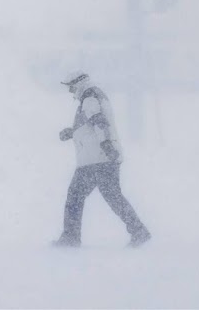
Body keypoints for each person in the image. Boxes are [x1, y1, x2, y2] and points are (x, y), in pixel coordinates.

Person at [53, 71, 151, 248]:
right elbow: (89, 125)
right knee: (112, 198)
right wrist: (72, 132)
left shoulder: (90, 98)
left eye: (71, 87)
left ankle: (71, 238)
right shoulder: (92, 96)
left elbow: (100, 123)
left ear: (79, 83)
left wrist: (107, 145)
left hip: (97, 160)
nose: (70, 92)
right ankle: (138, 230)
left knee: (76, 197)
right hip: (97, 159)